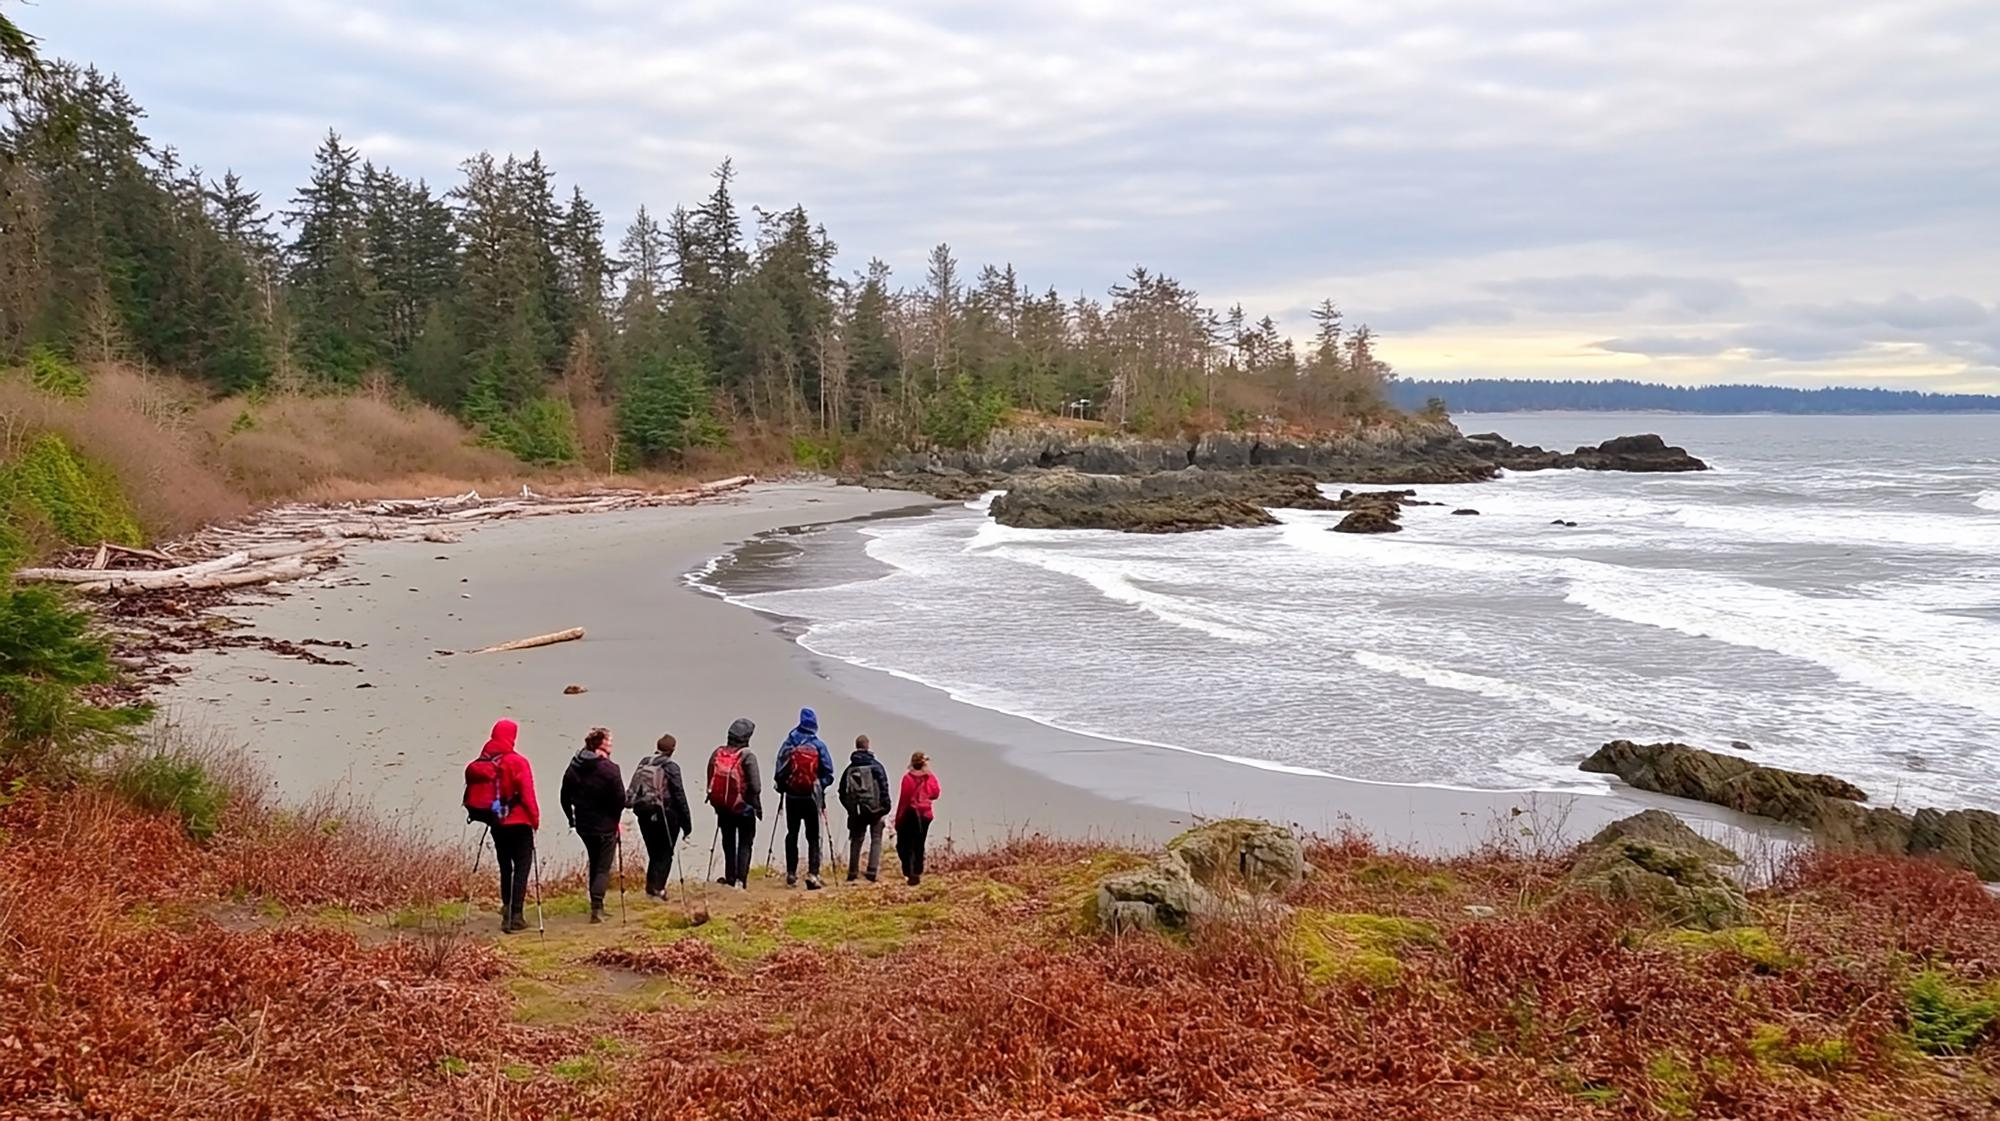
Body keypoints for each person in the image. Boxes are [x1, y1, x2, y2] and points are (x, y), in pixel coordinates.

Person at [467, 718, 540, 933]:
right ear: (512, 736)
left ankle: (507, 909)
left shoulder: (484, 760)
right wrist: (535, 819)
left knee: (505, 867)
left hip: (496, 822)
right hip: (519, 822)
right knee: (522, 867)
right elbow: (528, 795)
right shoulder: (518, 762)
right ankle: (516, 917)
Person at [560, 727, 625, 923]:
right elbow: (620, 799)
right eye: (609, 741)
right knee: (602, 868)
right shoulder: (610, 769)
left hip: (584, 824)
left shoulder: (574, 766)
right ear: (601, 745)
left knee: (594, 863)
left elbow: (564, 796)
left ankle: (597, 905)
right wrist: (615, 819)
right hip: (605, 826)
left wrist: (571, 819)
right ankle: (597, 908)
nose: (612, 745)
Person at [773, 707, 835, 890]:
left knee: (792, 833)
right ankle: (813, 873)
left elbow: (779, 770)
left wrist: (784, 786)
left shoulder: (789, 743)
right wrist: (818, 785)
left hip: (792, 797)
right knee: (813, 836)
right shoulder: (819, 745)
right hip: (811, 798)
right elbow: (829, 773)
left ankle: (791, 873)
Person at [627, 733, 694, 899]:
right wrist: (687, 823)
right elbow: (679, 795)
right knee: (665, 853)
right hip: (665, 814)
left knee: (653, 851)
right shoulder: (671, 767)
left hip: (643, 812)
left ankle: (651, 887)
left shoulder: (644, 762)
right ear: (672, 749)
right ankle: (659, 889)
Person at [706, 718, 762, 889]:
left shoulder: (717, 753)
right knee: (745, 843)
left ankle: (730, 877)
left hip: (723, 807)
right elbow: (756, 786)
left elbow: (710, 776)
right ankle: (741, 881)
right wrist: (756, 806)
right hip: (744, 808)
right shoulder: (747, 756)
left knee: (728, 842)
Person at [837, 734, 892, 883]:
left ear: (856, 746)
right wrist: (886, 807)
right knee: (876, 838)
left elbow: (841, 792)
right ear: (868, 746)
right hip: (875, 809)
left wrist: (850, 809)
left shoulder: (849, 769)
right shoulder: (876, 766)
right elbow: (884, 786)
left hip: (857, 810)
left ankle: (852, 872)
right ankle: (872, 870)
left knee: (856, 839)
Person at [894, 750, 942, 887]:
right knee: (919, 843)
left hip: (910, 813)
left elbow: (904, 800)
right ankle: (917, 870)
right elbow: (936, 793)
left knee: (905, 844)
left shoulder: (907, 778)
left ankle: (910, 872)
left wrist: (898, 819)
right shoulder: (929, 778)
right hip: (925, 815)